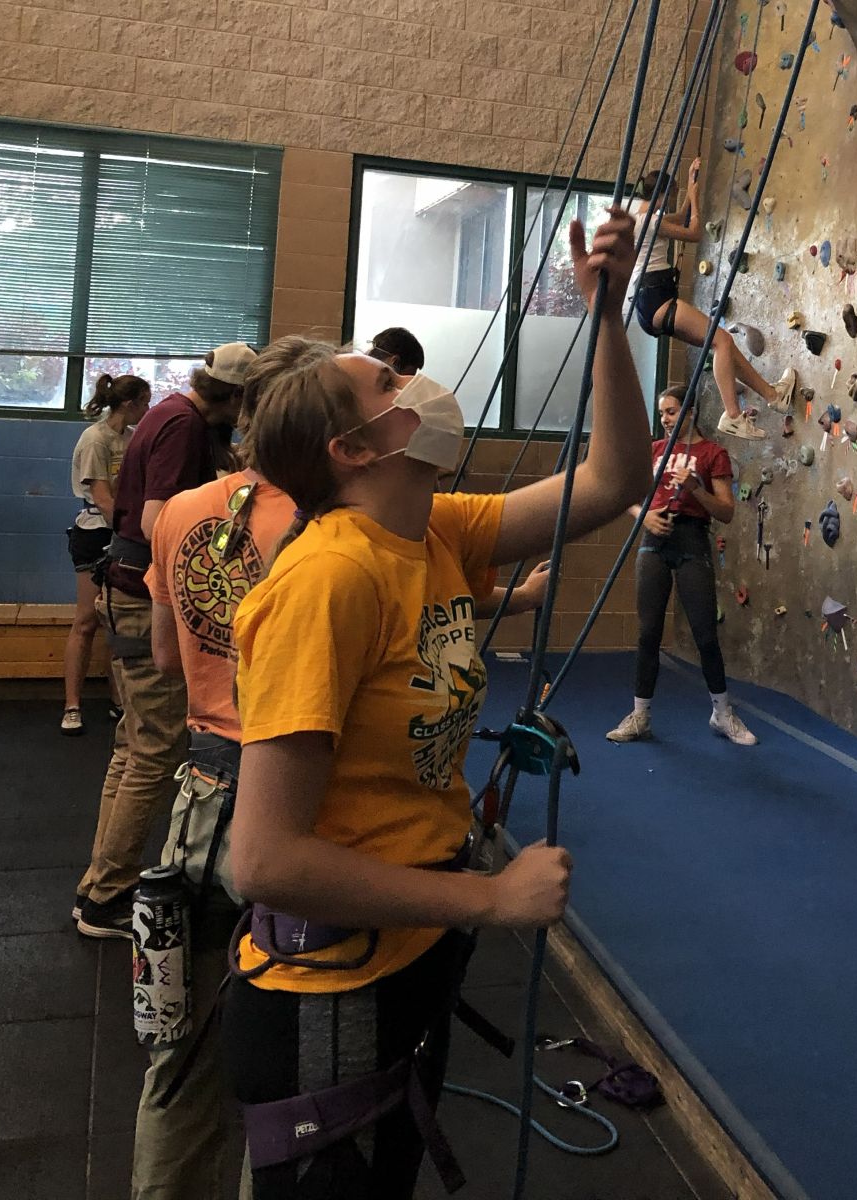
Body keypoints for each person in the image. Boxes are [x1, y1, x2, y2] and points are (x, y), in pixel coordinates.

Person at [221, 208, 651, 1199]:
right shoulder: (329, 580)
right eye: (385, 381)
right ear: (354, 450)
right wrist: (488, 898)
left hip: (410, 950)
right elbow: (264, 857)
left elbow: (616, 478)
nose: (412, 379)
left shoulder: (438, 531)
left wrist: (604, 313)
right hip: (329, 988)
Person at [133, 337, 311, 1200]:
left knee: (182, 1049)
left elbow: (168, 661)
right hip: (292, 799)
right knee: (290, 1062)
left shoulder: (178, 514)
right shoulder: (324, 528)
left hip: (199, 799)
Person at [75, 343, 256, 939]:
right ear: (233, 397)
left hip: (121, 588)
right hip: (137, 589)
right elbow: (160, 521)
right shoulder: (181, 426)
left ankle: (100, 884)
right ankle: (108, 895)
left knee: (133, 747)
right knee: (154, 752)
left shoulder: (173, 415)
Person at [605, 384, 757, 746]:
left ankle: (722, 714)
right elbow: (624, 495)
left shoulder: (713, 454)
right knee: (648, 633)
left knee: (705, 633)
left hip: (691, 539)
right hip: (654, 539)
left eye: (671, 412)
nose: (665, 420)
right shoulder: (654, 450)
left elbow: (727, 512)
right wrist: (644, 517)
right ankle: (640, 715)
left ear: (690, 412)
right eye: (661, 414)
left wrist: (695, 489)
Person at [369, 323, 551, 619]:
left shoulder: (438, 518)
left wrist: (526, 596)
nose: (411, 389)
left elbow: (452, 598)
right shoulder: (344, 555)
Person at [625, 158, 796, 441]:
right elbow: (692, 232)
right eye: (671, 197)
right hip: (655, 297)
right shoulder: (649, 221)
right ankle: (732, 415)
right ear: (662, 196)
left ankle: (773, 395)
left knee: (723, 349)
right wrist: (692, 197)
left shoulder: (638, 215)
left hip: (649, 301)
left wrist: (693, 188)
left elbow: (678, 219)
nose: (670, 204)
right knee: (722, 341)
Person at [61, 373, 149, 736]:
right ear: (129, 404)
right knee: (86, 620)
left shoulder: (130, 439)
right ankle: (72, 706)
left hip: (122, 536)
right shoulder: (96, 440)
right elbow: (103, 498)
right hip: (97, 533)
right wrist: (136, 535)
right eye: (145, 402)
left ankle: (120, 701)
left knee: (118, 620)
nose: (148, 409)